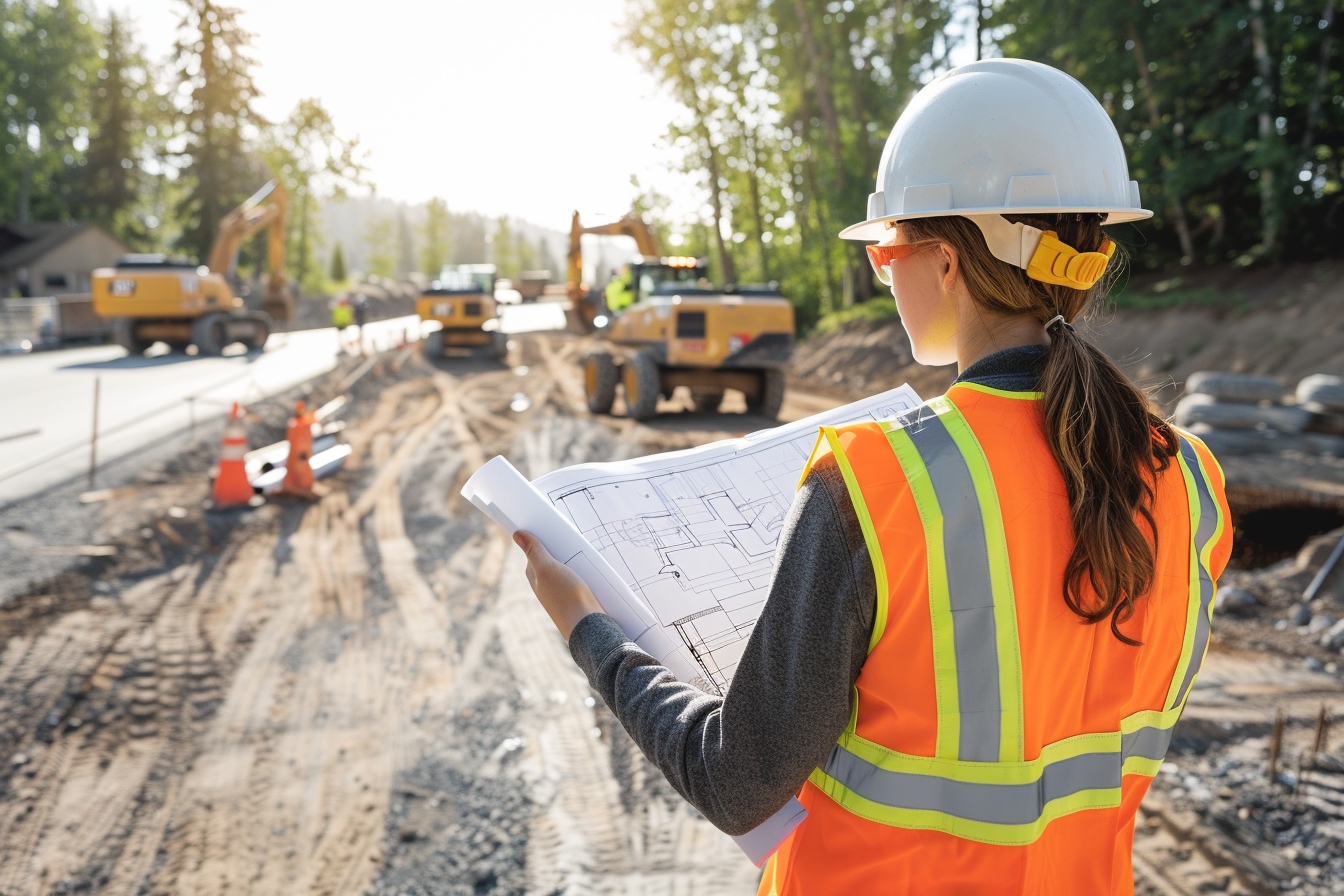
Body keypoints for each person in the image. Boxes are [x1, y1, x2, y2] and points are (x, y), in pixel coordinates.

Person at [512, 58, 1232, 895]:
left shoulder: (875, 483)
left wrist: (587, 632)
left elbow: (737, 782)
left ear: (949, 261)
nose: (883, 273)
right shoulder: (1190, 479)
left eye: (886, 250)